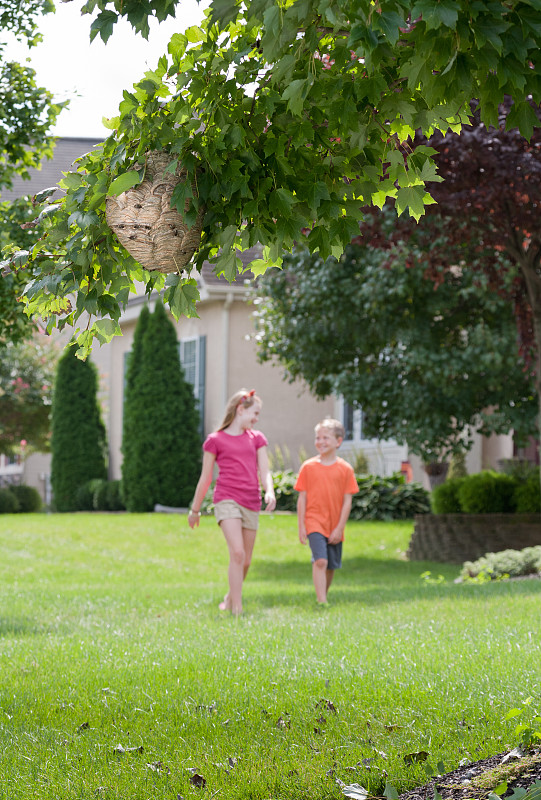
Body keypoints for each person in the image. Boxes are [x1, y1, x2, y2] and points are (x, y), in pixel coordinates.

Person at [188, 388, 276, 615]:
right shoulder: (215, 441)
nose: (256, 419)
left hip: (251, 501)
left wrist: (270, 491)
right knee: (237, 553)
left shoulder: (257, 438)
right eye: (254, 413)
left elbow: (264, 469)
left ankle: (229, 597)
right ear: (240, 409)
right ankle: (237, 609)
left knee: (245, 561)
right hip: (226, 499)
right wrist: (195, 509)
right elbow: (206, 477)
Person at [295, 418, 359, 604]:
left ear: (338, 441)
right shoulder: (308, 467)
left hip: (334, 524)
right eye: (318, 437)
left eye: (326, 437)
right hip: (314, 521)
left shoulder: (345, 469)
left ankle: (323, 594)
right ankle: (322, 602)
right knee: (320, 561)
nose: (320, 441)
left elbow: (347, 501)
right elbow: (302, 498)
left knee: (330, 565)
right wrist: (301, 526)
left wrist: (340, 528)